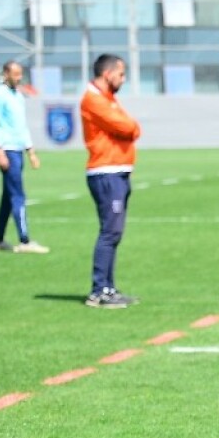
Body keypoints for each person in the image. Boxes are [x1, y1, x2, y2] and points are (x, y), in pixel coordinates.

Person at [80, 54, 141, 309]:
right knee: (109, 232)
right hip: (106, 172)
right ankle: (98, 292)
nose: (123, 80)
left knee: (114, 233)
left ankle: (109, 287)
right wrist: (132, 128)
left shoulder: (107, 99)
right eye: (121, 74)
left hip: (117, 171)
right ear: (107, 74)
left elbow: (131, 127)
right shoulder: (93, 100)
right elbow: (127, 127)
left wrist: (132, 127)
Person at [0, 61, 49, 254]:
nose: (19, 77)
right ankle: (24, 241)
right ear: (6, 73)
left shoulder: (18, 96)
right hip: (7, 150)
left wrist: (30, 150)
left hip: (18, 150)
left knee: (8, 197)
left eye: (20, 74)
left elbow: (21, 126)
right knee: (18, 195)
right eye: (15, 74)